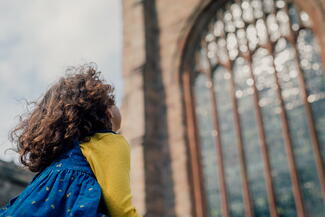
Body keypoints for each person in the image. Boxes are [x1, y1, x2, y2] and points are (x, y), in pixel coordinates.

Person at [0, 64, 141, 217]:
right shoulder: (111, 142)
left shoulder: (60, 160)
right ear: (105, 110)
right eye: (111, 100)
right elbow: (121, 208)